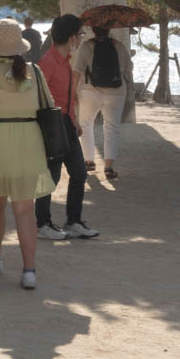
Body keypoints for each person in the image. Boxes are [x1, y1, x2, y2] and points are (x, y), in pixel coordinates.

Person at [0, 20, 56, 290]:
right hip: (29, 140)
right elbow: (50, 105)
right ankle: (29, 270)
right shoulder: (35, 72)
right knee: (25, 210)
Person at [34, 14, 99, 241]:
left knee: (79, 173)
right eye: (80, 34)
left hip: (67, 124)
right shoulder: (47, 62)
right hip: (53, 126)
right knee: (51, 176)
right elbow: (39, 99)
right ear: (71, 37)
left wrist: (74, 121)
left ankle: (73, 221)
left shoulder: (66, 60)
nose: (81, 38)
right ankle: (42, 223)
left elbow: (66, 97)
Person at [72, 23, 134, 177]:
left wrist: (72, 93)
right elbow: (128, 69)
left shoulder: (87, 46)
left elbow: (77, 71)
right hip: (117, 92)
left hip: (90, 91)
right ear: (109, 29)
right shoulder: (119, 46)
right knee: (112, 128)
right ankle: (109, 167)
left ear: (93, 29)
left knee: (86, 124)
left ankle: (89, 161)